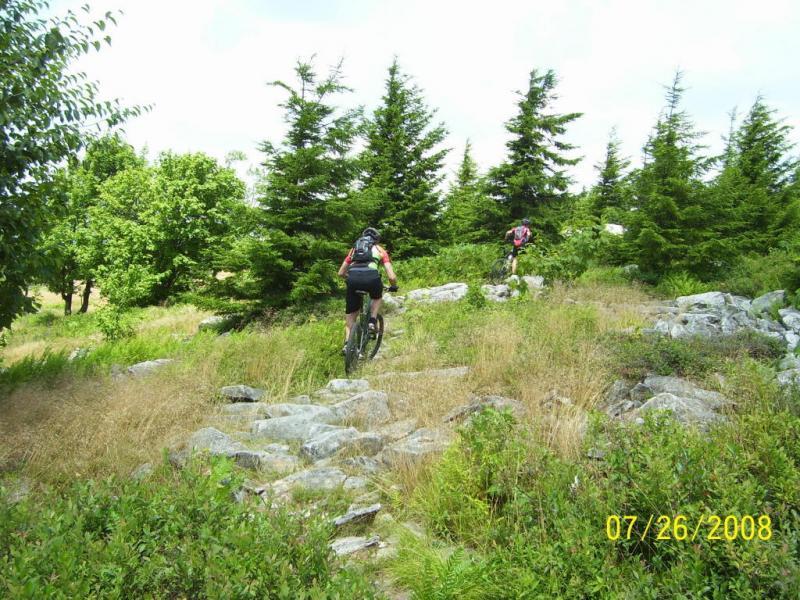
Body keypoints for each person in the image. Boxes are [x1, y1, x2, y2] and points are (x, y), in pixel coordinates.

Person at [338, 227, 398, 353]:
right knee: (377, 296)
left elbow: (341, 273)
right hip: (372, 278)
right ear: (376, 240)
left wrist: (351, 279)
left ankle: (347, 344)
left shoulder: (354, 249)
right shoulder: (380, 250)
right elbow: (391, 276)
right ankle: (372, 321)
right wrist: (393, 286)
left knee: (351, 315)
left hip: (353, 278)